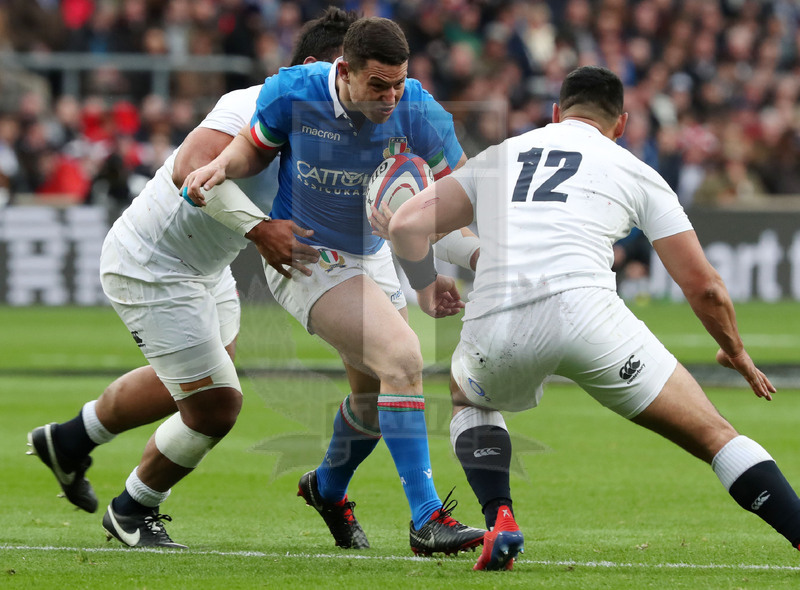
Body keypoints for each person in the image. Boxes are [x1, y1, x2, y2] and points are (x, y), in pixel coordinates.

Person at [388, 65, 800, 571]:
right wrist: (733, 350)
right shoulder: (633, 169)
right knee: (715, 435)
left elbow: (406, 223)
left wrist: (428, 288)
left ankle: (502, 518)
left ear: (556, 113)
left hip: (498, 317)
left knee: (466, 396)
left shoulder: (502, 156)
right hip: (591, 318)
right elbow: (706, 287)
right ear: (621, 123)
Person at [26, 6, 356, 549]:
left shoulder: (331, 127)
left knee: (195, 382)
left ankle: (68, 440)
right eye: (350, 73)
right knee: (216, 404)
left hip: (204, 265)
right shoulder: (252, 103)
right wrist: (261, 230)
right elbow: (188, 169)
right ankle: (133, 509)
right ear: (318, 66)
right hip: (153, 265)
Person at [182, 16, 485, 556]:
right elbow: (253, 148)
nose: (391, 97)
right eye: (378, 85)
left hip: (373, 258)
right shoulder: (293, 93)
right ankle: (426, 519)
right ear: (343, 71)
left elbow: (459, 196)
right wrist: (223, 166)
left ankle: (326, 488)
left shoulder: (418, 110)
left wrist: (477, 255)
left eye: (399, 82)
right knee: (404, 359)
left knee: (372, 404)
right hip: (307, 255)